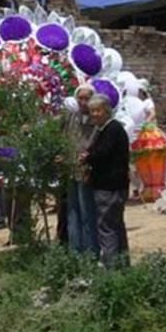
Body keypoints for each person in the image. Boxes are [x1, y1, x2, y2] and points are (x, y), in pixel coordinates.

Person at [82, 94, 130, 268]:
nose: (94, 114)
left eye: (98, 110)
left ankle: (111, 268)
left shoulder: (112, 129)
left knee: (107, 228)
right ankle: (123, 265)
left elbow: (102, 154)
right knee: (116, 226)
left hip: (109, 186)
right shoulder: (105, 129)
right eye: (92, 111)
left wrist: (86, 158)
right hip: (114, 185)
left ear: (107, 111)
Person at [64, 85, 99, 255]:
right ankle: (75, 251)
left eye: (87, 98)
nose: (83, 102)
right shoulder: (72, 117)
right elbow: (65, 137)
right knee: (72, 212)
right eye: (81, 99)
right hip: (71, 168)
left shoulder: (96, 120)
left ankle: (91, 252)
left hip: (87, 171)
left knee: (87, 213)